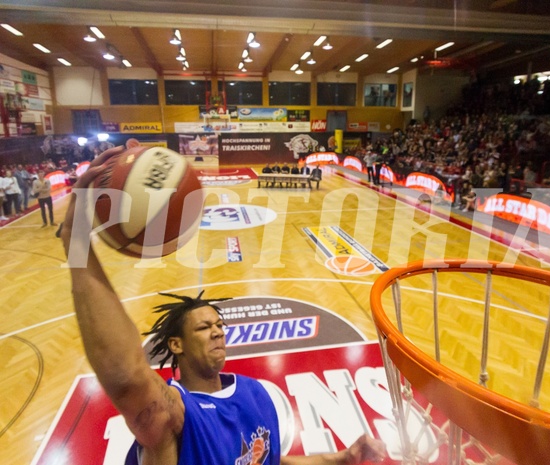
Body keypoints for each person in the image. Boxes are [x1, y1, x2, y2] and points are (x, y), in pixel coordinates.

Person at [60, 146, 386, 465]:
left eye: (218, 325)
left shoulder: (255, 394)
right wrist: (76, 241)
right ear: (177, 344)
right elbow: (127, 377)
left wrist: (343, 458)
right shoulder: (174, 415)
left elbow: (268, 461)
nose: (217, 333)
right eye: (203, 328)